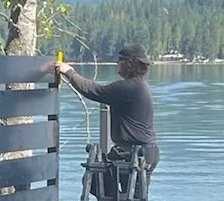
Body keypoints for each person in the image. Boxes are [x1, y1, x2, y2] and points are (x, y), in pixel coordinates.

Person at [52, 42, 159, 172]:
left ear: (130, 63)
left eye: (120, 60)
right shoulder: (140, 86)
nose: (117, 63)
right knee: (132, 191)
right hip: (146, 151)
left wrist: (69, 72)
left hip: (134, 154)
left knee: (97, 180)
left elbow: (92, 90)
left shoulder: (129, 87)